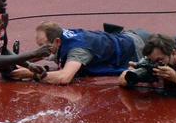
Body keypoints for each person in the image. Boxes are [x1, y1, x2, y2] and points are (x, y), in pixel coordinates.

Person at [8, 22, 151, 85]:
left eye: (42, 45)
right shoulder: (60, 34)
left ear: (57, 42)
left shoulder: (77, 51)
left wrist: (31, 73)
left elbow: (64, 77)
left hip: (140, 47)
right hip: (128, 37)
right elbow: (42, 53)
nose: (39, 49)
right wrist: (19, 60)